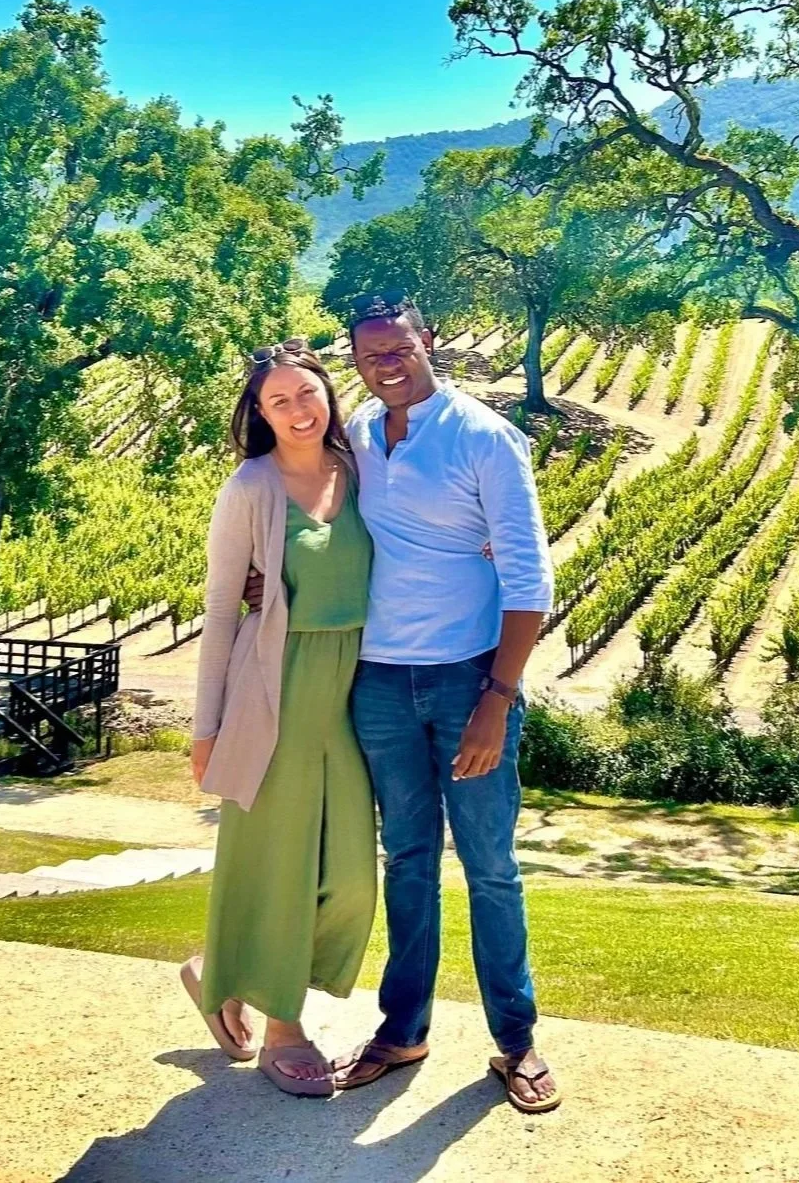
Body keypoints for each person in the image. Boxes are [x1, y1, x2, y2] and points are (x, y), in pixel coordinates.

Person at [336, 291, 561, 1115]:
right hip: (380, 682)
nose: (387, 363)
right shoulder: (357, 434)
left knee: (492, 868)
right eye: (371, 354)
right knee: (408, 862)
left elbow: (530, 580)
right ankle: (403, 1030)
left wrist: (498, 699)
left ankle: (518, 1041)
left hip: (470, 679)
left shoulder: (486, 437)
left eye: (399, 347)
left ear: (428, 340)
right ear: (356, 361)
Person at [181, 339, 377, 1098]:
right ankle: (283, 1028)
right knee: (280, 865)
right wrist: (206, 728)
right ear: (258, 415)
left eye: (308, 392)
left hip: (359, 683)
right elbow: (222, 610)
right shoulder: (251, 486)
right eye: (279, 400)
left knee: (354, 876)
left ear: (330, 392)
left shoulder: (362, 468)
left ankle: (218, 964)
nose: (300, 409)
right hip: (275, 688)